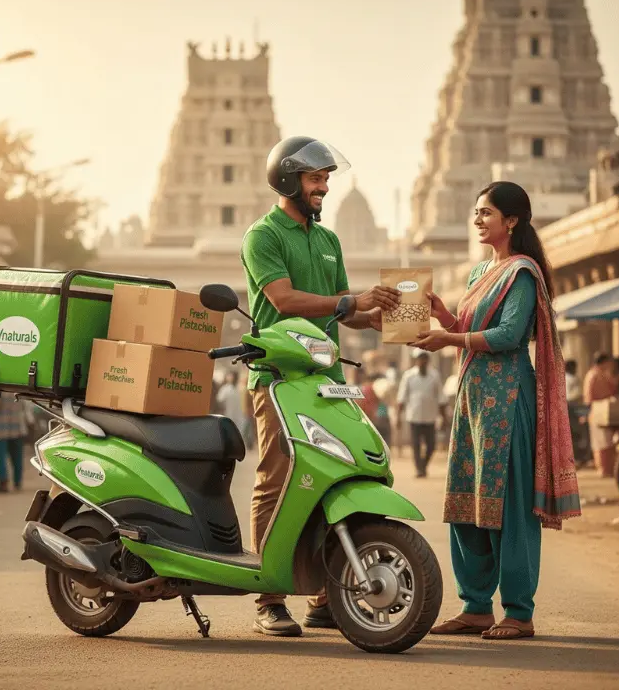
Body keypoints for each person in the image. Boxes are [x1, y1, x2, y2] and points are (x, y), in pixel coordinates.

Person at [240, 136, 401, 637]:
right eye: (315, 179)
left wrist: (391, 319)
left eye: (326, 178)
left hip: (327, 378)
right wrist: (352, 302)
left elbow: (343, 310)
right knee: (276, 477)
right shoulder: (263, 236)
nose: (324, 187)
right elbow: (285, 300)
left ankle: (323, 597)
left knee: (335, 473)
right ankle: (268, 598)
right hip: (278, 377)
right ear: (289, 181)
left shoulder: (327, 240)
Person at [413, 180, 580, 641]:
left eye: (486, 212)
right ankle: (476, 607)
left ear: (512, 221)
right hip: (472, 397)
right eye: (476, 211)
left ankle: (519, 612)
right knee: (466, 500)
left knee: (509, 503)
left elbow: (508, 336)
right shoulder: (477, 274)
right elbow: (466, 328)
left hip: (509, 398)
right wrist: (441, 315)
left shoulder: (522, 273)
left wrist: (449, 338)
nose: (477, 219)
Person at [398, 349, 447, 478]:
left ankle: (423, 465)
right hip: (414, 415)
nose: (423, 361)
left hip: (430, 417)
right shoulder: (408, 375)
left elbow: (441, 397)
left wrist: (444, 417)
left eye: (425, 358)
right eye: (420, 359)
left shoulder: (435, 375)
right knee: (416, 444)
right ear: (416, 360)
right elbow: (401, 397)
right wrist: (398, 416)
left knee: (431, 446)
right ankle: (419, 469)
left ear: (428, 360)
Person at [583, 352, 619, 476]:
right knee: (601, 442)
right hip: (598, 411)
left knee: (606, 442)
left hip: (604, 411)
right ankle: (603, 469)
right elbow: (589, 397)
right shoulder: (594, 375)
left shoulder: (600, 374)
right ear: (604, 362)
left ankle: (606, 469)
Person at [0, 392, 29, 493]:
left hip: (1, 427)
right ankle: (17, 482)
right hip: (17, 426)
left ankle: (3, 481)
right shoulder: (19, 386)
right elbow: (25, 407)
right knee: (17, 456)